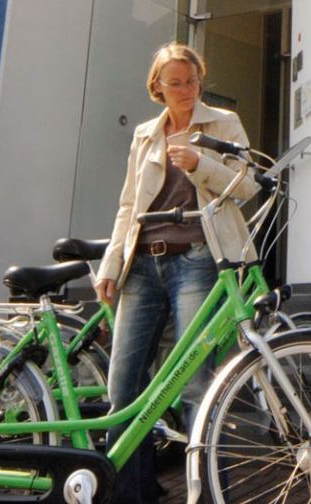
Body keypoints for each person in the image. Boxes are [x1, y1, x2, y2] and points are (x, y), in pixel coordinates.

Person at [94, 43, 258, 501]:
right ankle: (131, 492)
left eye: (192, 80)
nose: (186, 90)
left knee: (195, 383)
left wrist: (201, 164)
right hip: (141, 264)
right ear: (157, 87)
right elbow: (129, 203)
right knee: (124, 386)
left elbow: (246, 186)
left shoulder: (223, 123)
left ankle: (207, 494)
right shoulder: (146, 133)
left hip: (197, 261)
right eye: (175, 82)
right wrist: (111, 263)